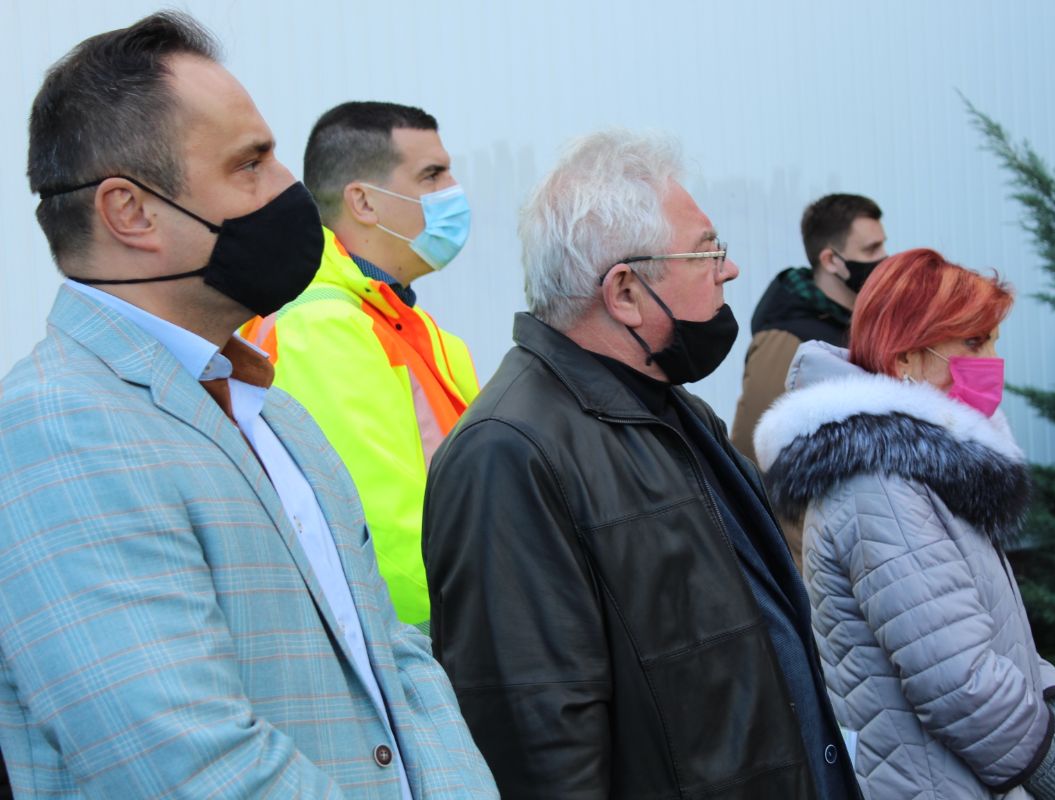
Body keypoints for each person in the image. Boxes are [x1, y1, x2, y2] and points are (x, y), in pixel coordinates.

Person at [0, 13, 495, 798]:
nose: (290, 190)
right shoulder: (59, 427)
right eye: (251, 165)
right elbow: (187, 765)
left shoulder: (272, 412)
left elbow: (398, 661)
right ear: (131, 212)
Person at [422, 130, 860, 799]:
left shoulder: (677, 413)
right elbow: (539, 745)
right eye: (707, 251)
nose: (730, 270)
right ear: (624, 292)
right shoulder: (507, 453)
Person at [754, 249, 1055, 800]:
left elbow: (1000, 632)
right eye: (974, 342)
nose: (993, 360)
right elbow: (957, 678)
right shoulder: (878, 486)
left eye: (993, 341)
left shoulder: (928, 471)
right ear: (906, 360)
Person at [241, 101, 477, 628]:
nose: (453, 190)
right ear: (364, 202)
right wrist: (480, 624)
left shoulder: (401, 322)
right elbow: (384, 533)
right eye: (432, 175)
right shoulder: (321, 326)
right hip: (431, 641)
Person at [730, 193, 886, 459]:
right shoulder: (786, 338)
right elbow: (754, 448)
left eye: (882, 246)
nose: (885, 258)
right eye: (871, 250)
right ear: (831, 261)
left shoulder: (865, 322)